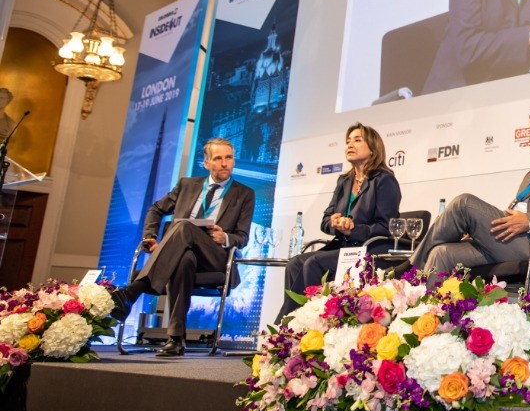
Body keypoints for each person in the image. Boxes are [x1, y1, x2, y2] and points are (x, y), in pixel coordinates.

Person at [408, 106, 530, 289]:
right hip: (513, 243)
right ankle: (426, 310)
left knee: (464, 203)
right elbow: (515, 213)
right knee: (441, 253)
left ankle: (409, 268)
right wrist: (480, 231)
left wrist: (529, 221)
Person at [110, 138, 254, 357]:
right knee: (184, 259)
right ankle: (176, 339)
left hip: (215, 256)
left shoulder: (244, 194)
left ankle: (133, 291)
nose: (225, 163)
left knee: (184, 226)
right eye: (218, 158)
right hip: (182, 254)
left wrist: (224, 236)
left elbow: (242, 237)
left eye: (229, 157)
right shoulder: (187, 185)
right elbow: (156, 209)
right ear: (206, 163)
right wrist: (150, 236)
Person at [278, 123, 401, 319]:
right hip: (342, 248)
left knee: (314, 263)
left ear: (373, 148)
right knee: (295, 263)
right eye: (348, 141)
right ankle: (297, 321)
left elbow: (387, 227)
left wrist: (353, 230)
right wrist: (335, 223)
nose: (350, 145)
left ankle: (291, 323)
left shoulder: (384, 180)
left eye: (357, 140)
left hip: (369, 251)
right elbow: (325, 220)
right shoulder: (344, 181)